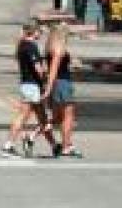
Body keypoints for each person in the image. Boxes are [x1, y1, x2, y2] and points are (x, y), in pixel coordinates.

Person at [2, 22, 58, 158]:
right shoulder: (31, 46)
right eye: (40, 32)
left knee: (43, 118)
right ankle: (8, 146)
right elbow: (38, 68)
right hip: (32, 86)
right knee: (22, 116)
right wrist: (46, 79)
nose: (41, 34)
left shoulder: (22, 45)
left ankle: (55, 146)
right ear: (34, 32)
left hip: (29, 85)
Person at [42, 22, 80, 158]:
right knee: (68, 117)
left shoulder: (49, 47)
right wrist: (48, 88)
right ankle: (66, 146)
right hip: (62, 83)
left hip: (58, 83)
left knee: (58, 117)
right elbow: (53, 70)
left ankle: (33, 135)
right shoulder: (58, 48)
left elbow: (47, 69)